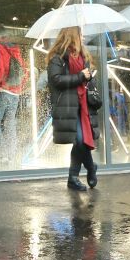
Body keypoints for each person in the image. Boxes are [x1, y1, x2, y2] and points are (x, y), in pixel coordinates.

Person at [46, 26, 100, 192]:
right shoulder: (58, 58)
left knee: (81, 141)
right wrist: (80, 76)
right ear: (72, 36)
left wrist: (89, 76)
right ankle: (90, 168)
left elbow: (86, 79)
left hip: (83, 104)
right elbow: (56, 80)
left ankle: (73, 178)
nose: (83, 37)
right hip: (67, 106)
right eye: (80, 34)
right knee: (79, 139)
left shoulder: (83, 57)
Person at [0, 26, 25, 167]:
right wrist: (19, 88)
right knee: (9, 124)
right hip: (15, 92)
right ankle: (11, 155)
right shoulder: (14, 49)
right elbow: (22, 70)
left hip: (2, 91)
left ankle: (2, 154)